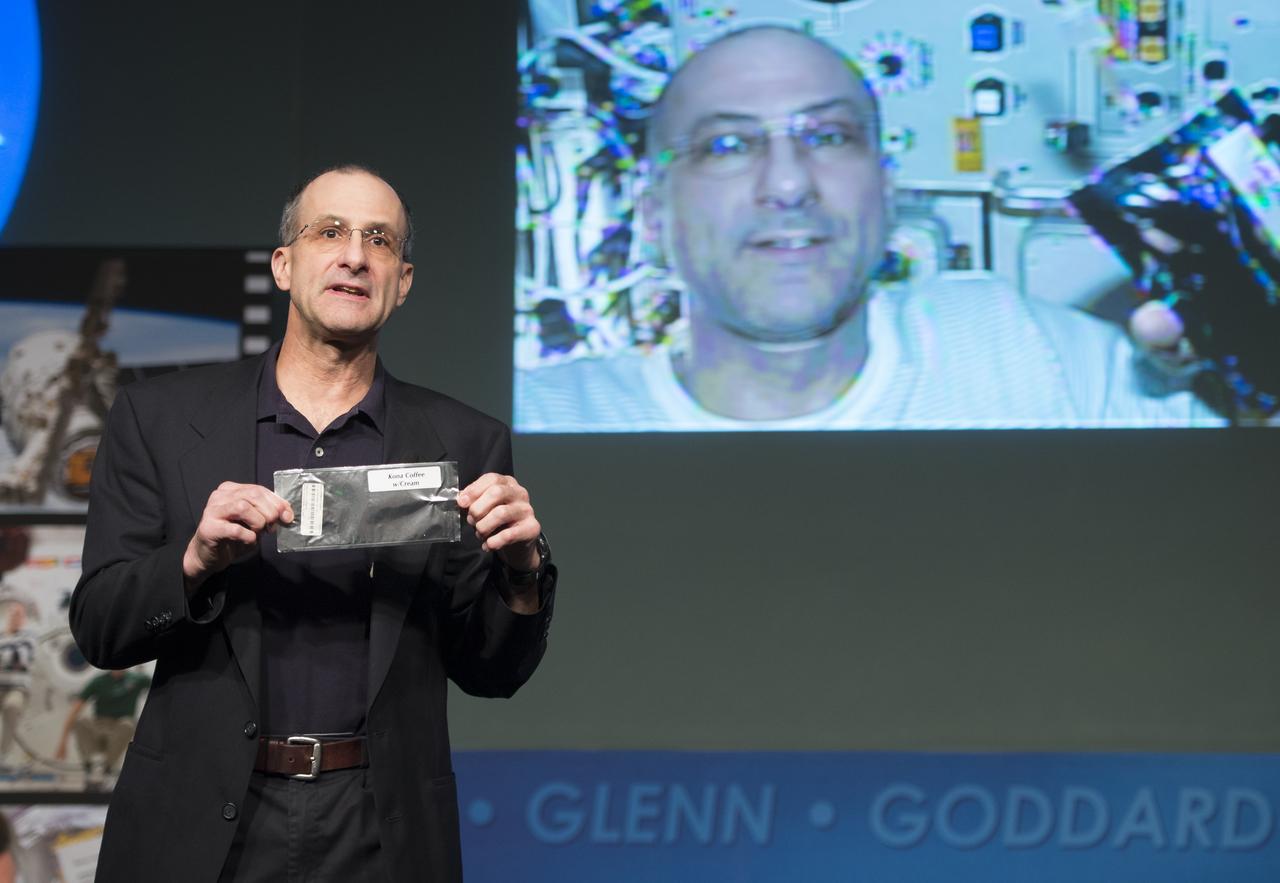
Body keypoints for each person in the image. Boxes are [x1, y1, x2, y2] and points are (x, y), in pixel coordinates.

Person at [70, 165, 556, 881]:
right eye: (329, 231)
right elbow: (101, 625)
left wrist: (524, 572)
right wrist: (193, 560)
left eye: (379, 240)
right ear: (284, 264)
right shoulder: (161, 420)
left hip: (377, 829)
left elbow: (491, 669)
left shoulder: (464, 440)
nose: (354, 254)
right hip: (204, 822)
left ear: (403, 280)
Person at [515, 25, 1217, 431]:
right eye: (727, 145)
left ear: (888, 189)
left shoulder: (1034, 356)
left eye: (828, 136)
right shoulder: (547, 422)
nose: (788, 184)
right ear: (653, 213)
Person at [54, 668, 150, 790]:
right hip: (99, 726)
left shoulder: (137, 679)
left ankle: (108, 770)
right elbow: (75, 710)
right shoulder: (99, 681)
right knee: (81, 721)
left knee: (128, 724)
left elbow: (162, 688)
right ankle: (90, 766)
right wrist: (63, 742)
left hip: (120, 728)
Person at [0, 602, 33, 774]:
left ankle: (2, 757)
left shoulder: (28, 637)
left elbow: (21, 658)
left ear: (24, 619)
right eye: (13, 614)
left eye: (19, 614)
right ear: (8, 616)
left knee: (12, 707)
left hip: (16, 688)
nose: (16, 617)